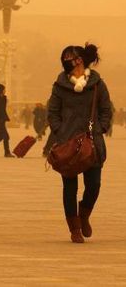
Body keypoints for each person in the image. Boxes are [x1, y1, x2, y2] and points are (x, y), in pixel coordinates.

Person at [43, 44, 112, 243]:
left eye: (72, 57)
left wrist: (101, 128)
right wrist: (60, 131)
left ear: (81, 59)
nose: (70, 60)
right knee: (69, 187)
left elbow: (106, 110)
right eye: (66, 58)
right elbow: (52, 112)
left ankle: (84, 214)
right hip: (68, 143)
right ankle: (74, 228)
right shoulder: (60, 86)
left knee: (94, 185)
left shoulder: (98, 84)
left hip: (92, 141)